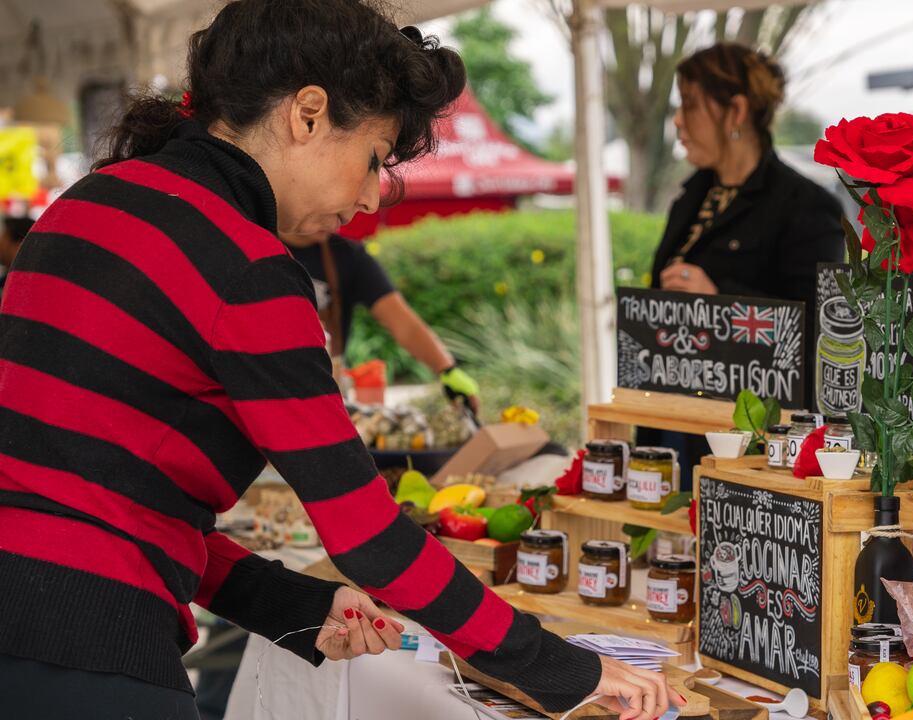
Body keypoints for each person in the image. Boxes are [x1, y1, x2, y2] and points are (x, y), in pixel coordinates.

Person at [0, 2, 680, 718]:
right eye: (373, 160)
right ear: (308, 114)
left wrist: (289, 602)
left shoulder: (82, 205)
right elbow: (366, 532)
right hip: (86, 648)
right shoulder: (246, 265)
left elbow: (103, 493)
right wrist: (563, 668)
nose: (365, 199)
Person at [645, 43, 844, 485]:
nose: (678, 120)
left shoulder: (806, 207)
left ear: (735, 111)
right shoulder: (692, 196)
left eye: (690, 105)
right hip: (677, 410)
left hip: (754, 439)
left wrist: (721, 304)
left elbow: (818, 330)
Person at [280, 230, 480, 409]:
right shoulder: (256, 249)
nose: (339, 216)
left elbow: (404, 323)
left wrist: (447, 369)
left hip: (326, 396)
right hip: (271, 392)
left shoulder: (348, 256)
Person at [0, 215, 35, 298]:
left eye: (4, 237)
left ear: (19, 245)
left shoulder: (23, 288)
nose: (0, 244)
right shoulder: (6, 282)